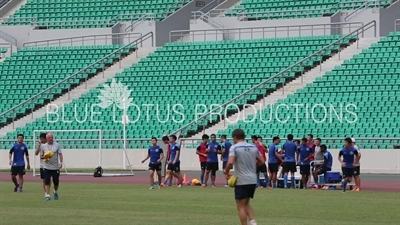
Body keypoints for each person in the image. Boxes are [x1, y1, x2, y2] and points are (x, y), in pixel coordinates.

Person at [224, 129, 265, 225]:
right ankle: (253, 222)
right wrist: (253, 166)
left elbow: (230, 162)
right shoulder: (253, 147)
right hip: (252, 179)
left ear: (235, 137)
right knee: (246, 203)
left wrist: (226, 171)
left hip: (242, 180)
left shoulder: (234, 148)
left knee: (240, 206)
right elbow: (262, 161)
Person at [40, 133, 63, 201]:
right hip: (46, 166)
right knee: (47, 181)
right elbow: (41, 156)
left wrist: (60, 162)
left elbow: (60, 154)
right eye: (49, 137)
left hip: (55, 167)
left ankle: (55, 191)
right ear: (46, 138)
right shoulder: (43, 146)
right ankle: (47, 195)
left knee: (56, 182)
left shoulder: (56, 145)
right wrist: (45, 157)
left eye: (52, 137)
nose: (51, 138)